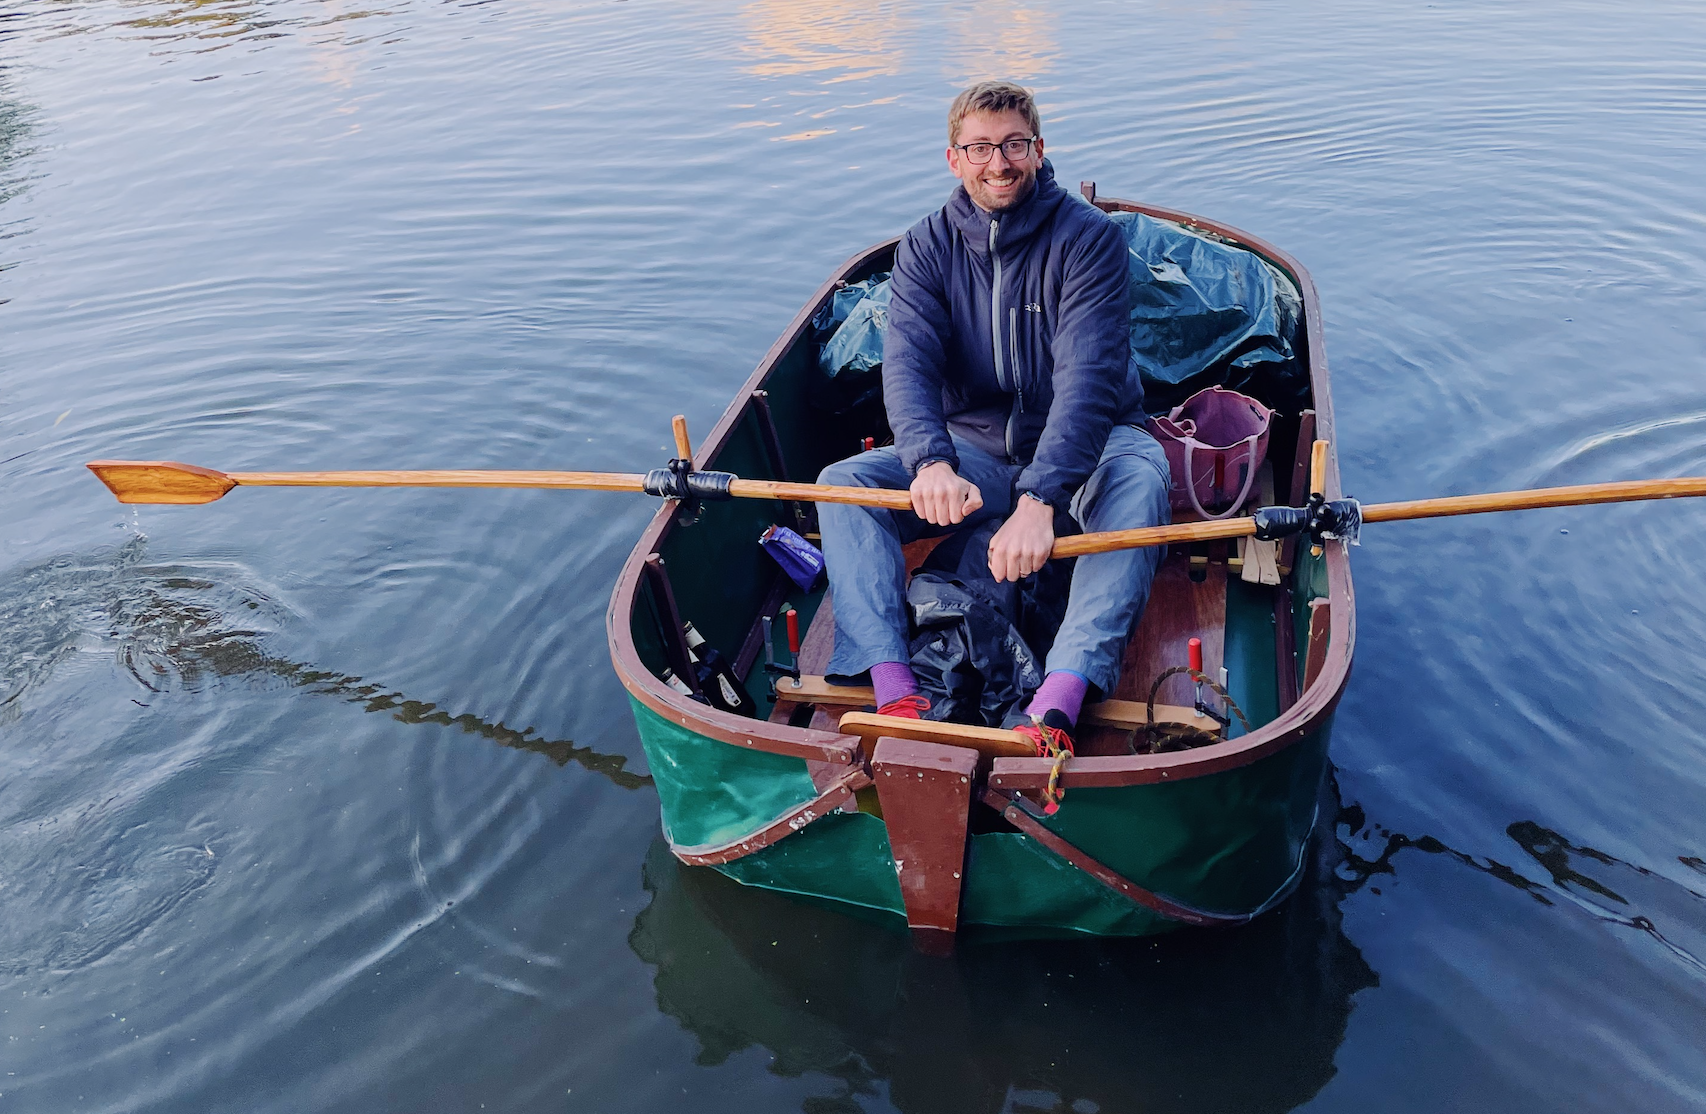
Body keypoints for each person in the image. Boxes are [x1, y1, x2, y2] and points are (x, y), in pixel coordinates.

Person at [817, 80, 1171, 756]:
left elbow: (1089, 382)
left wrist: (1042, 498)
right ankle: (897, 696)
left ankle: (1056, 704)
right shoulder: (925, 248)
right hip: (974, 453)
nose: (998, 163)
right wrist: (930, 461)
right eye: (979, 148)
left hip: (1088, 451)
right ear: (954, 159)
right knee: (844, 485)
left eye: (1012, 145)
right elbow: (909, 368)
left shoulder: (1087, 241)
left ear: (1038, 150)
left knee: (1141, 486)